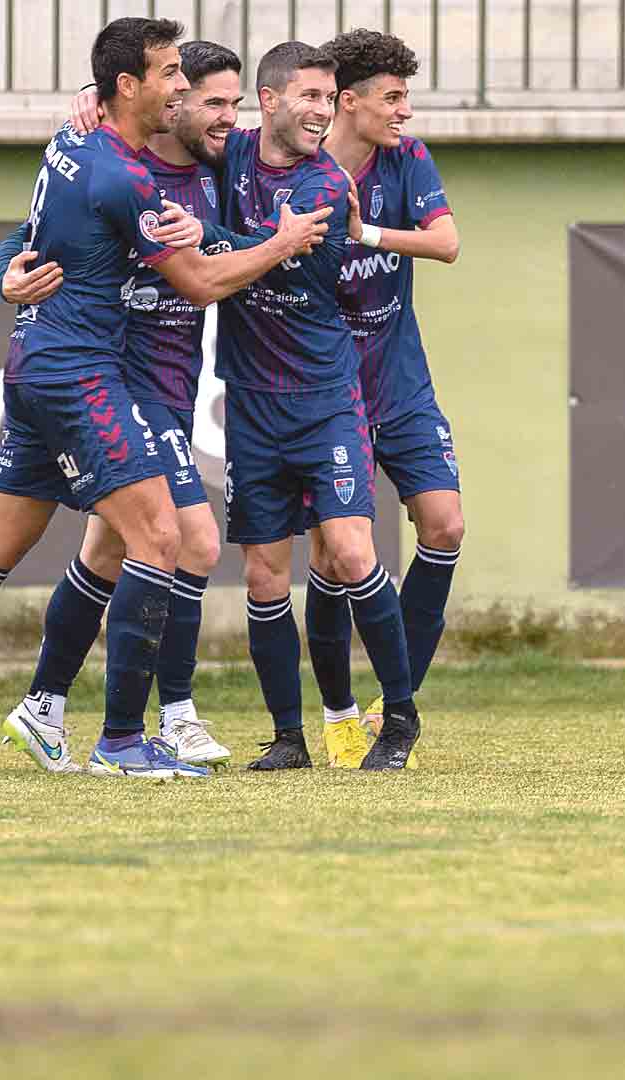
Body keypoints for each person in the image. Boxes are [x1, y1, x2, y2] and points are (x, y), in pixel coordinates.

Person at [0, 16, 333, 779]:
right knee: (166, 539)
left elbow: (45, 226)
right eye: (171, 78)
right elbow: (197, 281)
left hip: (36, 363)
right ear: (130, 87)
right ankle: (125, 740)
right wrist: (279, 245)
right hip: (84, 374)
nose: (186, 91)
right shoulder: (125, 175)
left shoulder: (74, 140)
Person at [0, 40, 270, 772]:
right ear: (152, 98)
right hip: (127, 381)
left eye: (227, 103)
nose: (216, 113)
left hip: (175, 386)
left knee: (111, 548)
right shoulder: (117, 161)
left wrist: (219, 232)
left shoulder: (220, 168)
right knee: (190, 541)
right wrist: (4, 274)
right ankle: (164, 719)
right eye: (200, 96)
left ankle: (46, 702)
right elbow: (29, 235)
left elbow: (278, 161)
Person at [212, 41, 422, 772]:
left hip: (326, 399)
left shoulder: (328, 186)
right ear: (267, 101)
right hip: (251, 404)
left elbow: (233, 261)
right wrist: (86, 112)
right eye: (308, 96)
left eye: (328, 100)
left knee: (353, 552)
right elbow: (167, 140)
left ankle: (398, 721)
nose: (320, 111)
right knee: (265, 576)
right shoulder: (229, 155)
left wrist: (235, 244)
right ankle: (288, 739)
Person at [304, 28, 462, 769]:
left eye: (407, 97)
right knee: (335, 559)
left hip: (400, 383)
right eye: (393, 97)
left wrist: (364, 231)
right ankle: (337, 715)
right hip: (327, 393)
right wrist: (90, 99)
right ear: (349, 101)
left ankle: (395, 708)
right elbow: (192, 131)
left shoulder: (408, 159)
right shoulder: (288, 166)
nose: (405, 111)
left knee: (445, 524)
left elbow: (447, 242)